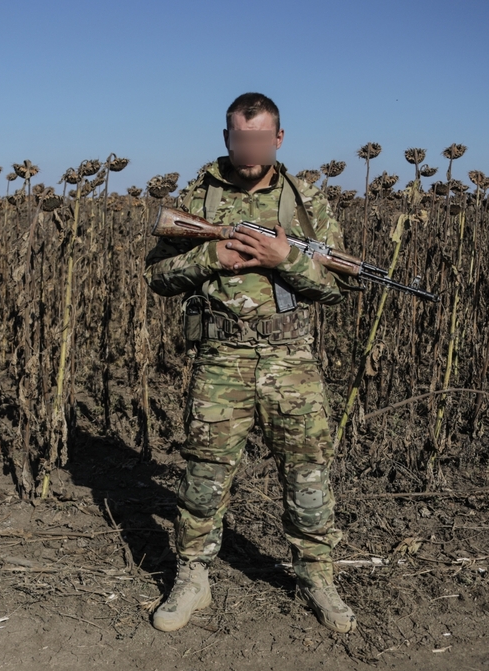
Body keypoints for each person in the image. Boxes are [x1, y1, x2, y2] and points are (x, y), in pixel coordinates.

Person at [144, 92, 356, 634]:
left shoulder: (304, 199)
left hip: (291, 360)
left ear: (279, 139)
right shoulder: (200, 194)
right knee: (203, 476)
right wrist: (211, 256)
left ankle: (317, 576)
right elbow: (157, 276)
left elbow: (336, 288)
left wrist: (286, 261)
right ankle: (192, 577)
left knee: (308, 474)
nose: (250, 148)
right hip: (222, 357)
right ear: (226, 138)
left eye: (261, 139)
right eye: (241, 138)